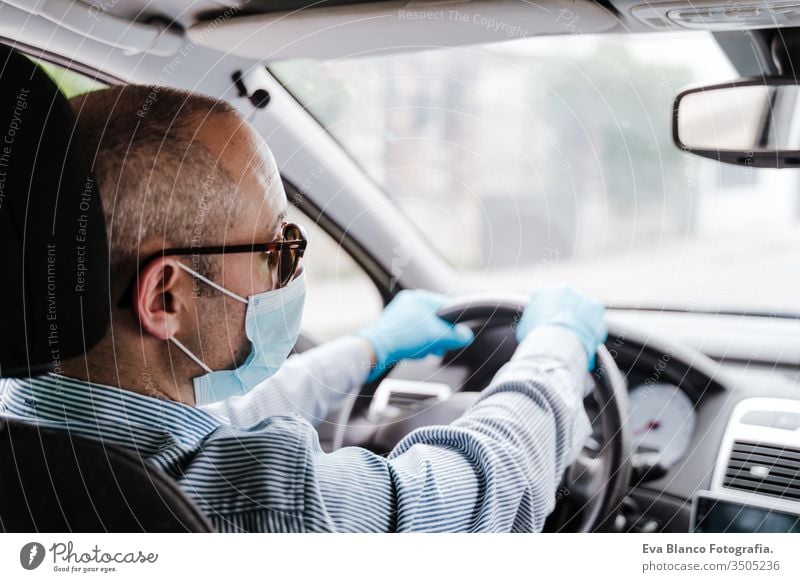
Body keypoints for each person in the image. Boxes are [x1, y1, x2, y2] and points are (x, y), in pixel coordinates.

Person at [0, 84, 606, 532]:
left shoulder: (27, 440)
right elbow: (483, 490)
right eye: (279, 247)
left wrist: (366, 349)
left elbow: (210, 426)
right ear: (166, 297)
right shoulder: (268, 501)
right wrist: (556, 351)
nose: (291, 270)